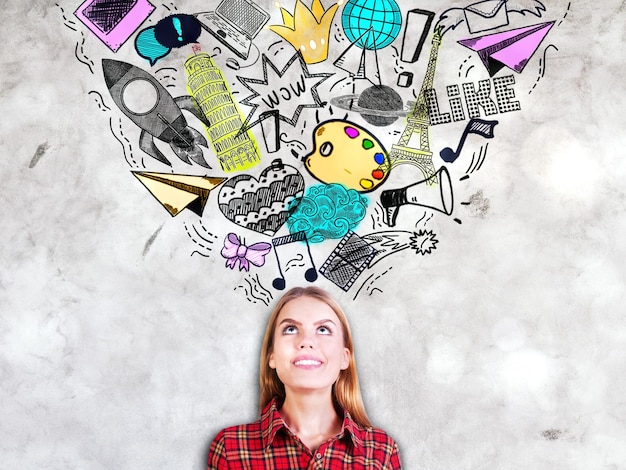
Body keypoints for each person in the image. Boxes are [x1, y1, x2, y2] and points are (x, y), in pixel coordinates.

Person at [207, 286, 401, 469]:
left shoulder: (381, 451)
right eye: (290, 329)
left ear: (344, 358)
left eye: (323, 329)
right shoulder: (230, 448)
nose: (306, 341)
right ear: (272, 356)